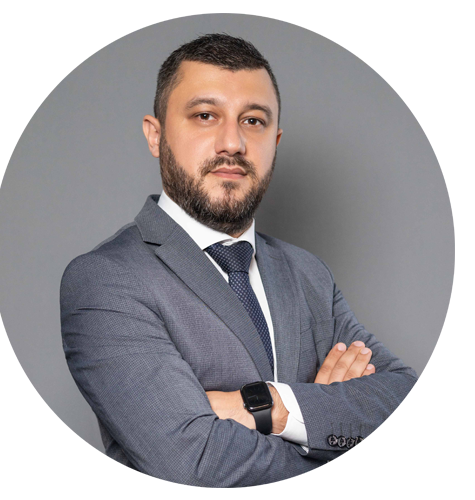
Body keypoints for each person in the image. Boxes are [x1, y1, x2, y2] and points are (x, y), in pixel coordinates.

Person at [60, 33, 418, 488]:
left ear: (275, 140)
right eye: (205, 116)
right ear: (156, 135)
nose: (232, 142)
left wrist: (270, 405)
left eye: (253, 120)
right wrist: (335, 440)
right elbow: (192, 463)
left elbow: (409, 408)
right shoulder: (106, 280)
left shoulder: (307, 273)